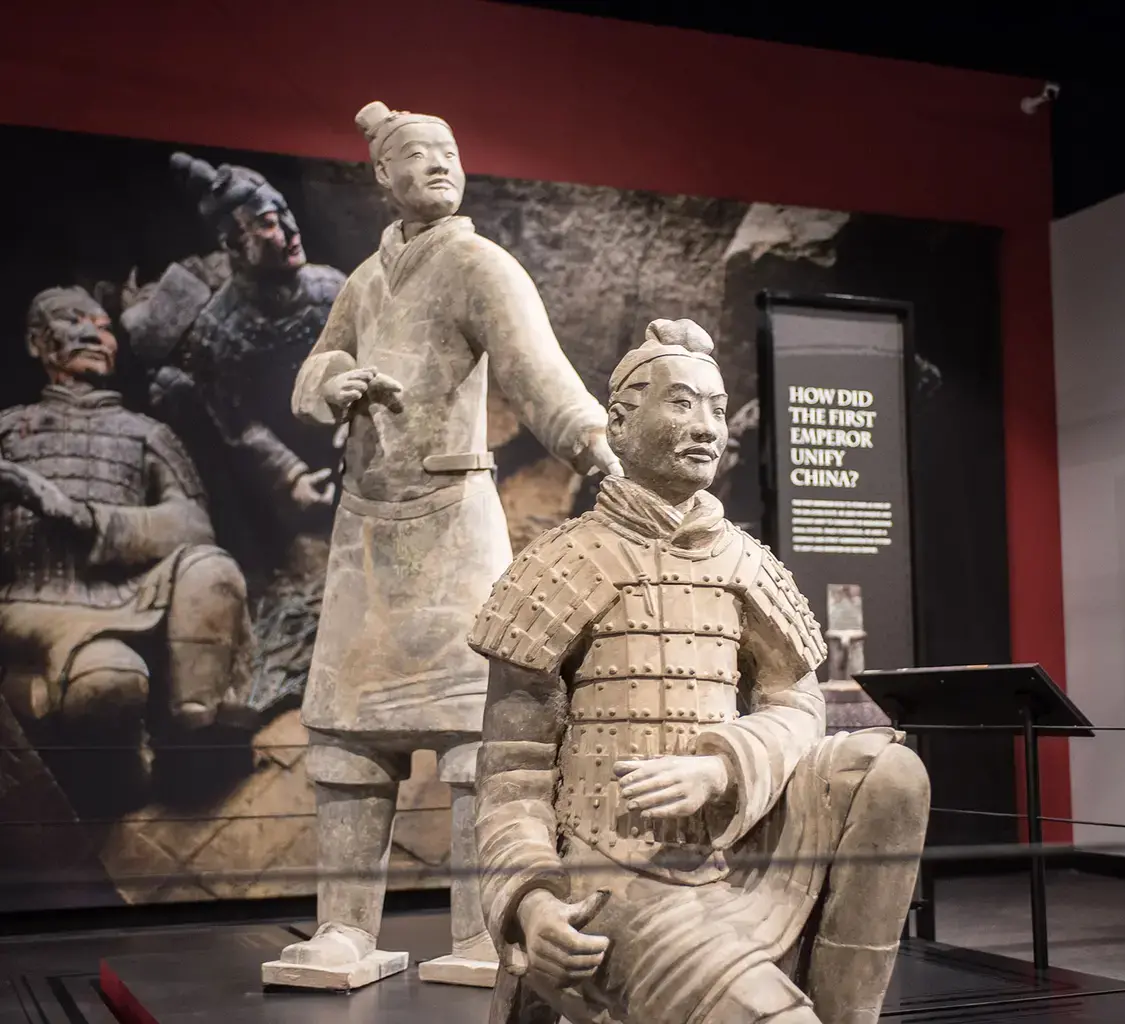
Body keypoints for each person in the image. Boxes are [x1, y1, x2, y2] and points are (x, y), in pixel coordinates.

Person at [470, 319, 931, 1024]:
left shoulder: (745, 561)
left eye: (717, 408)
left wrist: (724, 766)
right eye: (682, 403)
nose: (707, 426)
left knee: (892, 772)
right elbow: (511, 779)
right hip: (618, 875)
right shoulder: (559, 565)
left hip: (734, 846)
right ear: (620, 425)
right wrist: (532, 904)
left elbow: (798, 705)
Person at [273, 101, 621, 984]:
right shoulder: (361, 280)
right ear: (382, 178)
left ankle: (479, 929)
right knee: (350, 741)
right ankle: (347, 928)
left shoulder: (476, 264)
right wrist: (333, 382)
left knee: (478, 735)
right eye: (418, 156)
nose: (439, 166)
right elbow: (313, 367)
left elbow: (538, 369)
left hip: (455, 522)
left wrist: (594, 447)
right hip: (367, 537)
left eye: (450, 153)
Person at [0, 286, 253, 806]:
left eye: (103, 323)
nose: (94, 332)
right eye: (73, 321)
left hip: (130, 592)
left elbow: (192, 524)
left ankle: (195, 739)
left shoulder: (146, 434)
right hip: (34, 605)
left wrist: (83, 517)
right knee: (109, 685)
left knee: (211, 570)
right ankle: (118, 784)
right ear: (36, 343)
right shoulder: (7, 431)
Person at [122, 153, 348, 710]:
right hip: (273, 478)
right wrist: (290, 475)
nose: (290, 230)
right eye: (269, 223)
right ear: (234, 243)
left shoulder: (332, 289)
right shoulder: (218, 330)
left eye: (286, 214)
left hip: (347, 442)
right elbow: (236, 421)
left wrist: (354, 422)